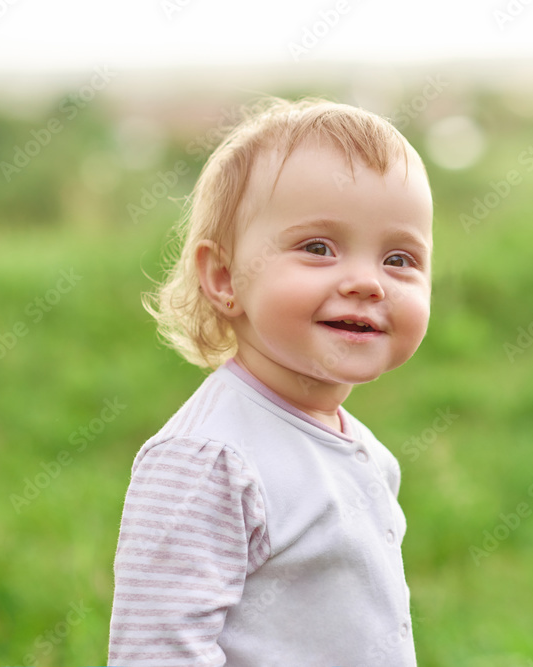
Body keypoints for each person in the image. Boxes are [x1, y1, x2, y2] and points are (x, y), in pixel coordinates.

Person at [108, 97, 433, 666]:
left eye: (400, 258)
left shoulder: (363, 450)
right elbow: (154, 650)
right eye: (317, 248)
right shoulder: (208, 460)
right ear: (224, 277)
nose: (367, 281)